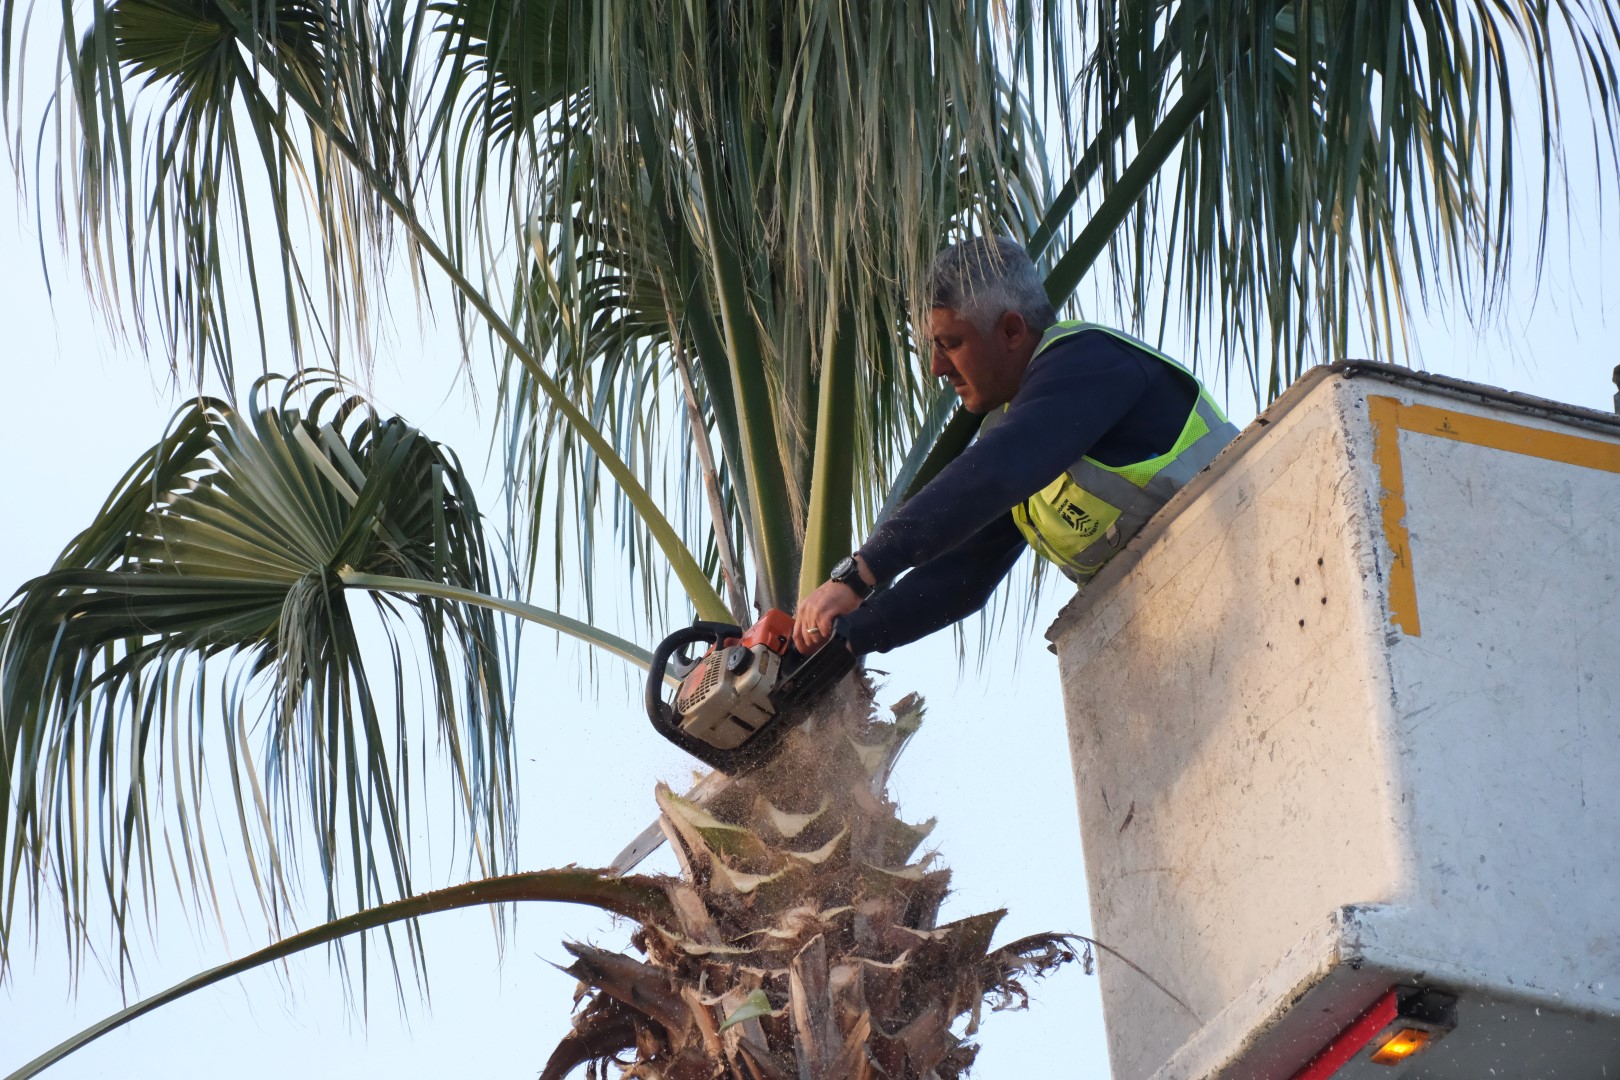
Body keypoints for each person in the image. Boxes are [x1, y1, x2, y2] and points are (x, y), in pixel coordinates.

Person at [791, 235, 1239, 656]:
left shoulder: (1090, 361)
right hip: (1199, 613)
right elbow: (963, 573)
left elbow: (995, 471)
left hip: (1247, 550)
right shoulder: (1017, 432)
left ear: (1010, 330)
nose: (936, 367)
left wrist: (861, 571)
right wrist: (847, 637)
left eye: (950, 343)